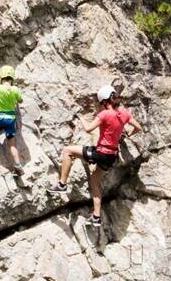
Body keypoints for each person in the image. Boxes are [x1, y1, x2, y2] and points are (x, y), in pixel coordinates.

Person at [58, 84, 138, 224]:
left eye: (101, 103)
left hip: (101, 153)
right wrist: (125, 135)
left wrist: (80, 117)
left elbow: (88, 129)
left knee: (67, 151)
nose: (100, 105)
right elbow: (138, 127)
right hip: (111, 157)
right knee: (94, 181)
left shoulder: (105, 114)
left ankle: (62, 184)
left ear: (105, 101)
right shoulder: (124, 113)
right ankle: (96, 216)